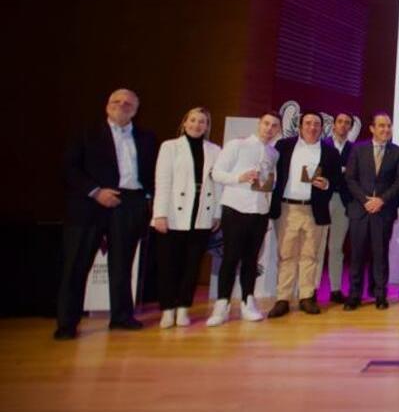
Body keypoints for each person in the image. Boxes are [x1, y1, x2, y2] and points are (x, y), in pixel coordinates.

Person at [56, 89, 158, 340]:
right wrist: (96, 192)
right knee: (76, 266)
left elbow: (154, 171)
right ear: (107, 105)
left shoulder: (147, 137)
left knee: (123, 265)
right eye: (117, 101)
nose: (122, 106)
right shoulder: (86, 132)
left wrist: (147, 197)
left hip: (130, 204)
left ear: (136, 108)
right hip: (90, 205)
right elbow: (69, 167)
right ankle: (67, 324)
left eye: (128, 103)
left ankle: (121, 317)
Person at [267, 111, 344, 318]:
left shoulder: (330, 153)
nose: (312, 127)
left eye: (317, 124)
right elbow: (270, 171)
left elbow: (336, 179)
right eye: (308, 123)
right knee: (286, 255)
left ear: (322, 128)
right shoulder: (284, 146)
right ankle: (282, 298)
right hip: (287, 209)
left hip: (314, 209)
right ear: (300, 126)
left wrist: (326, 183)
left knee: (310, 255)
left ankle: (307, 296)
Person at [206, 113, 281, 327]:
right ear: (259, 124)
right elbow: (217, 173)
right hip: (235, 208)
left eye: (274, 126)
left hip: (259, 212)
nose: (269, 128)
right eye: (266, 124)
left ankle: (248, 301)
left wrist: (270, 185)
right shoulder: (236, 145)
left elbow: (270, 181)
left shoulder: (273, 153)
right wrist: (239, 177)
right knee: (230, 258)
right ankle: (222, 305)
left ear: (278, 130)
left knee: (251, 259)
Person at [152, 107, 221, 328]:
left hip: (201, 214)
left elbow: (217, 184)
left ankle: (183, 308)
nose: (197, 125)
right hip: (173, 214)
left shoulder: (214, 150)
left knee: (192, 265)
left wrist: (216, 213)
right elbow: (162, 182)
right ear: (184, 123)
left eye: (202, 122)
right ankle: (167, 310)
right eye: (193, 120)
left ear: (207, 126)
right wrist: (159, 214)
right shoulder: (170, 147)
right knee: (168, 264)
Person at [343, 112, 399, 310]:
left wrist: (382, 200)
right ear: (372, 128)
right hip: (360, 210)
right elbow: (350, 179)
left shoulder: (398, 152)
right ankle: (354, 295)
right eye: (381, 126)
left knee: (380, 254)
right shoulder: (358, 150)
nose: (386, 129)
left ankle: (380, 295)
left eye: (388, 126)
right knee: (357, 255)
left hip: (383, 211)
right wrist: (365, 200)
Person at [317, 112, 354, 305]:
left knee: (336, 247)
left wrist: (342, 172)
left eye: (347, 123)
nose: (343, 125)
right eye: (340, 122)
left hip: (344, 201)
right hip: (323, 199)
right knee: (317, 245)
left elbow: (354, 176)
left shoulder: (354, 149)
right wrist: (341, 171)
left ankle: (336, 290)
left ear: (351, 127)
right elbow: (316, 171)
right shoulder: (321, 145)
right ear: (334, 125)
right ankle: (311, 290)